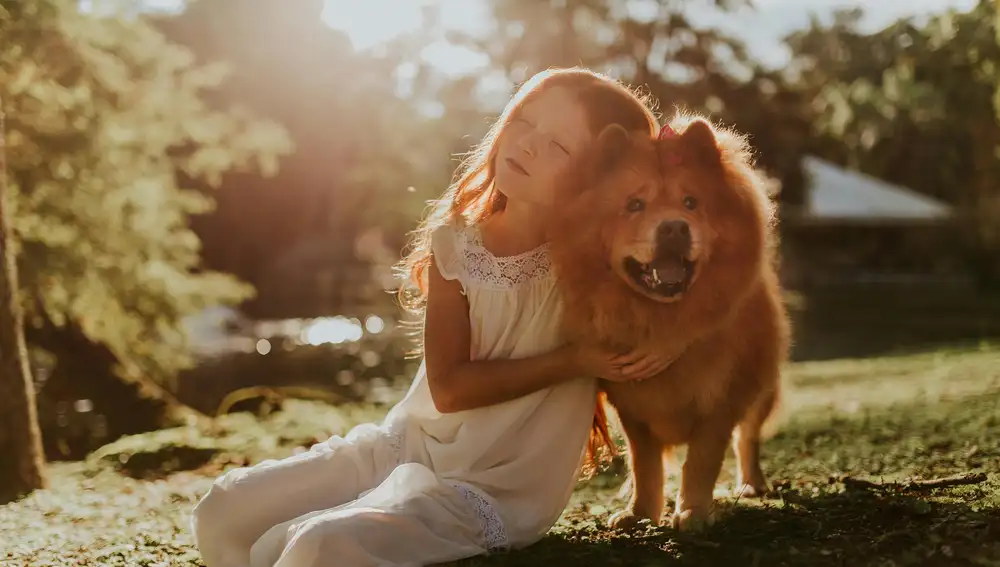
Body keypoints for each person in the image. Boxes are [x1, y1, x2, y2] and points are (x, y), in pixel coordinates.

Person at [190, 67, 674, 567]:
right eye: (525, 121)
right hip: (409, 445)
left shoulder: (601, 262)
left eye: (559, 146)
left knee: (321, 546)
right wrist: (574, 361)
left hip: (495, 485)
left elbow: (695, 303)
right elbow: (449, 389)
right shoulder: (456, 244)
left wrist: (668, 344)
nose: (528, 144)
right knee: (223, 511)